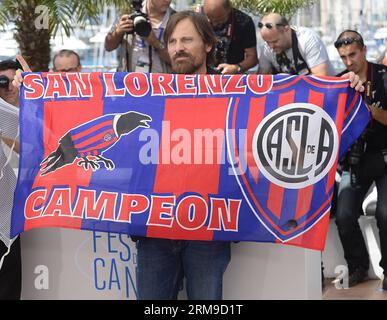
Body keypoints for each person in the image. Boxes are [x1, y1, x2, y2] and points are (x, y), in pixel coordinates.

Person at [135, 10, 230, 300]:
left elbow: (288, 100)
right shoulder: (149, 93)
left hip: (208, 228)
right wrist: (35, 91)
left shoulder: (235, 92)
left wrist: (346, 84)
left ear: (209, 45)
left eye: (187, 39)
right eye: (173, 41)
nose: (178, 48)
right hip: (155, 229)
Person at [334, 29, 387, 289]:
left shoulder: (384, 77)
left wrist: (368, 111)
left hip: (384, 156)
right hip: (354, 159)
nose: (348, 62)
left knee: (386, 214)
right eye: (343, 57)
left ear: (364, 50)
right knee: (343, 214)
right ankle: (356, 267)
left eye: (352, 55)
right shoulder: (338, 82)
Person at [0, 59, 22, 300]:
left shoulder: (37, 113)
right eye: (2, 81)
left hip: (8, 214)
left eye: (12, 80)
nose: (8, 87)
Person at [105, 0, 174, 73]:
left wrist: (155, 43)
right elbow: (108, 47)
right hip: (128, 81)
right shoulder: (128, 12)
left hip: (159, 82)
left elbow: (177, 61)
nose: (167, 0)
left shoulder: (175, 19)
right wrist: (118, 32)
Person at [257, 13, 335, 76]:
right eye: (267, 42)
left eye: (275, 41)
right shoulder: (266, 48)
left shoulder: (308, 39)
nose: (271, 46)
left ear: (286, 29)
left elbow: (321, 77)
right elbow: (261, 79)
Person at [198, 0, 258, 74]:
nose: (214, 23)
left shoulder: (243, 22)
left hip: (231, 75)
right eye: (209, 18)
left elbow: (252, 58)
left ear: (229, 10)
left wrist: (237, 68)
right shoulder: (198, 18)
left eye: (218, 20)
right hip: (202, 73)